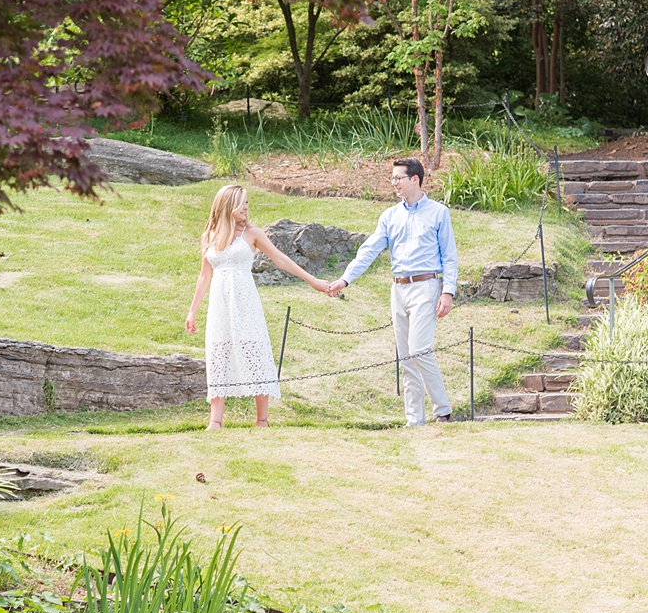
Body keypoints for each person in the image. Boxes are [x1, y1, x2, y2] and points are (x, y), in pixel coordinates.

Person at [186, 184, 334, 429]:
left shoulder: (252, 233)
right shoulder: (210, 235)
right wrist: (193, 310)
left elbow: (280, 258)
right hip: (220, 303)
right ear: (227, 205)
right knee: (218, 353)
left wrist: (313, 281)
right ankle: (215, 420)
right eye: (241, 203)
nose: (246, 207)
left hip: (245, 301)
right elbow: (204, 276)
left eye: (247, 203)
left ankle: (262, 420)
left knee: (253, 349)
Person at [326, 159, 458, 427]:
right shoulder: (389, 216)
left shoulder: (438, 213)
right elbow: (369, 250)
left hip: (426, 286)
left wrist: (448, 292)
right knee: (406, 356)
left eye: (398, 178)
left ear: (415, 180)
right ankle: (414, 421)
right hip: (398, 288)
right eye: (392, 178)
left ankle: (442, 411)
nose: (394, 183)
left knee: (419, 349)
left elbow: (450, 257)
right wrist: (345, 279)